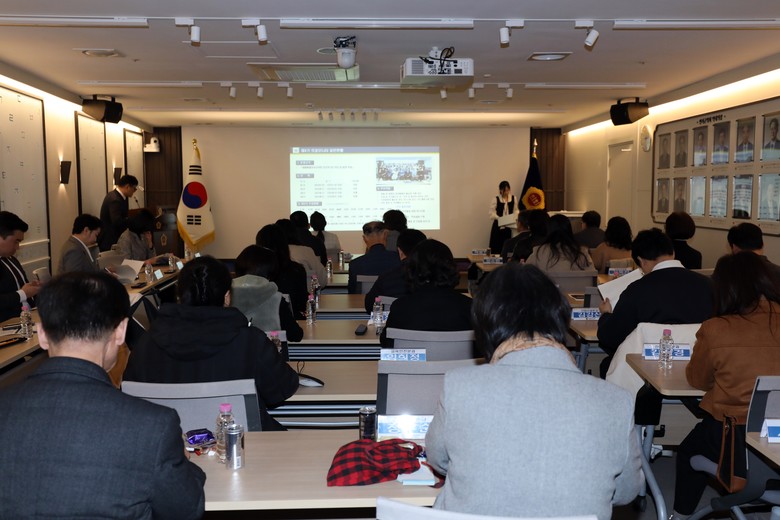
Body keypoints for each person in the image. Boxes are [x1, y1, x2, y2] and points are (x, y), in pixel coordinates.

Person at [425, 263, 642, 520]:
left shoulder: (460, 386)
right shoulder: (616, 401)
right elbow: (626, 491)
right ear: (560, 318)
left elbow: (438, 459)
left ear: (486, 325)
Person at [0, 272, 206, 518]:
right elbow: (186, 508)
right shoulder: (153, 426)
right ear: (120, 331)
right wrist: (180, 461)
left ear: (42, 334)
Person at [123, 256, 299, 431]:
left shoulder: (145, 345)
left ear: (179, 296)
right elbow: (283, 388)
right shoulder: (251, 342)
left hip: (169, 443)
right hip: (241, 444)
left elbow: (131, 402)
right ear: (227, 297)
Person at [673, 252, 780, 518]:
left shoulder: (716, 329)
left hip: (736, 438)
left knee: (688, 450)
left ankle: (681, 514)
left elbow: (698, 380)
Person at [597, 228, 713, 411]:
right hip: (700, 372)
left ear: (641, 261)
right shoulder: (709, 285)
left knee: (607, 363)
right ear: (672, 253)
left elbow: (610, 337)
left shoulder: (638, 289)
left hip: (647, 376)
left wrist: (606, 314)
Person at [380, 239, 472, 347]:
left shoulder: (400, 307)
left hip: (413, 358)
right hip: (459, 359)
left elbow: (387, 344)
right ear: (451, 267)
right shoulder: (469, 306)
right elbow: (479, 347)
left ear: (413, 269)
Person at [232, 244, 303, 342]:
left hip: (231, 351)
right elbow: (295, 335)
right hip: (267, 350)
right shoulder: (276, 299)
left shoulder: (224, 297)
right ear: (270, 273)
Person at [364, 228, 426, 313]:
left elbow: (369, 305)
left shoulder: (386, 279)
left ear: (400, 251)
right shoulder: (434, 277)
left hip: (394, 320)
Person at [256, 223, 308, 318]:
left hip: (259, 323)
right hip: (293, 320)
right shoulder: (297, 270)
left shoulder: (254, 272)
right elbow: (302, 303)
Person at [0, 211, 40, 322]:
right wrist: (23, 293)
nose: (18, 247)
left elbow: (21, 288)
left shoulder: (11, 259)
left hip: (28, 318)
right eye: (16, 241)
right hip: (7, 325)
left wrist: (33, 288)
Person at [527, 213, 593, 272]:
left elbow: (526, 274)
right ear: (569, 230)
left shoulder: (538, 252)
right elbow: (592, 276)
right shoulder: (582, 252)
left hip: (546, 282)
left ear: (549, 231)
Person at [347, 221, 400, 294]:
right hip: (393, 301)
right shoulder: (398, 259)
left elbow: (352, 293)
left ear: (365, 238)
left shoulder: (355, 264)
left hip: (364, 300)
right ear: (385, 235)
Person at [276, 218, 327, 284]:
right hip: (304, 290)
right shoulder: (306, 251)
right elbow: (322, 278)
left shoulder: (271, 253)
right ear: (295, 233)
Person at [98, 174, 138, 251]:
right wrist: (132, 220)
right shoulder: (115, 199)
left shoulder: (117, 196)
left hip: (114, 238)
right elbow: (117, 221)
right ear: (127, 186)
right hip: (110, 241)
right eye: (134, 188)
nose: (134, 191)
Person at [488, 180, 516, 253]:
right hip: (498, 226)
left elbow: (516, 210)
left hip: (509, 226)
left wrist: (514, 217)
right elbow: (491, 213)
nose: (506, 192)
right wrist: (500, 218)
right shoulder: (496, 199)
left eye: (507, 190)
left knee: (507, 244)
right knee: (496, 245)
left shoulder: (513, 198)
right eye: (504, 190)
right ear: (500, 190)